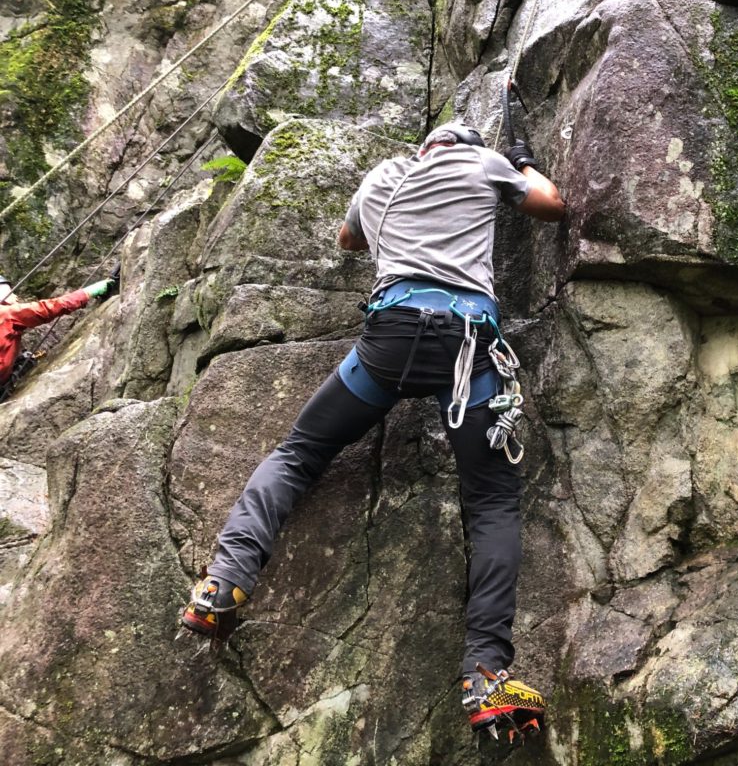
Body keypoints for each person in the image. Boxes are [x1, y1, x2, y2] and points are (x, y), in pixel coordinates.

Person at [181, 122, 565, 739]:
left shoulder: (383, 176)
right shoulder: (483, 163)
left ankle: (224, 584)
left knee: (300, 452)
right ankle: (486, 676)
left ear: (423, 150)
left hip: (388, 343)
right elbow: (551, 204)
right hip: (466, 343)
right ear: (463, 147)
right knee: (492, 500)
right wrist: (520, 163)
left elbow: (348, 240)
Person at [0, 275, 116, 399]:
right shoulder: (6, 313)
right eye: (11, 293)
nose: (16, 297)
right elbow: (48, 308)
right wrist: (87, 293)